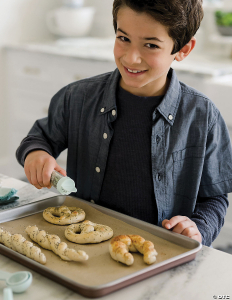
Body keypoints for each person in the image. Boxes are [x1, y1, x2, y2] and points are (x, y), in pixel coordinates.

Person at [16, 0, 232, 247]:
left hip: (161, 252)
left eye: (150, 45)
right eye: (123, 38)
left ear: (183, 49)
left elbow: (214, 198)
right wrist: (36, 154)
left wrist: (198, 228)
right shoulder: (76, 97)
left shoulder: (203, 116)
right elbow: (40, 138)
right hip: (86, 245)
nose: (131, 58)